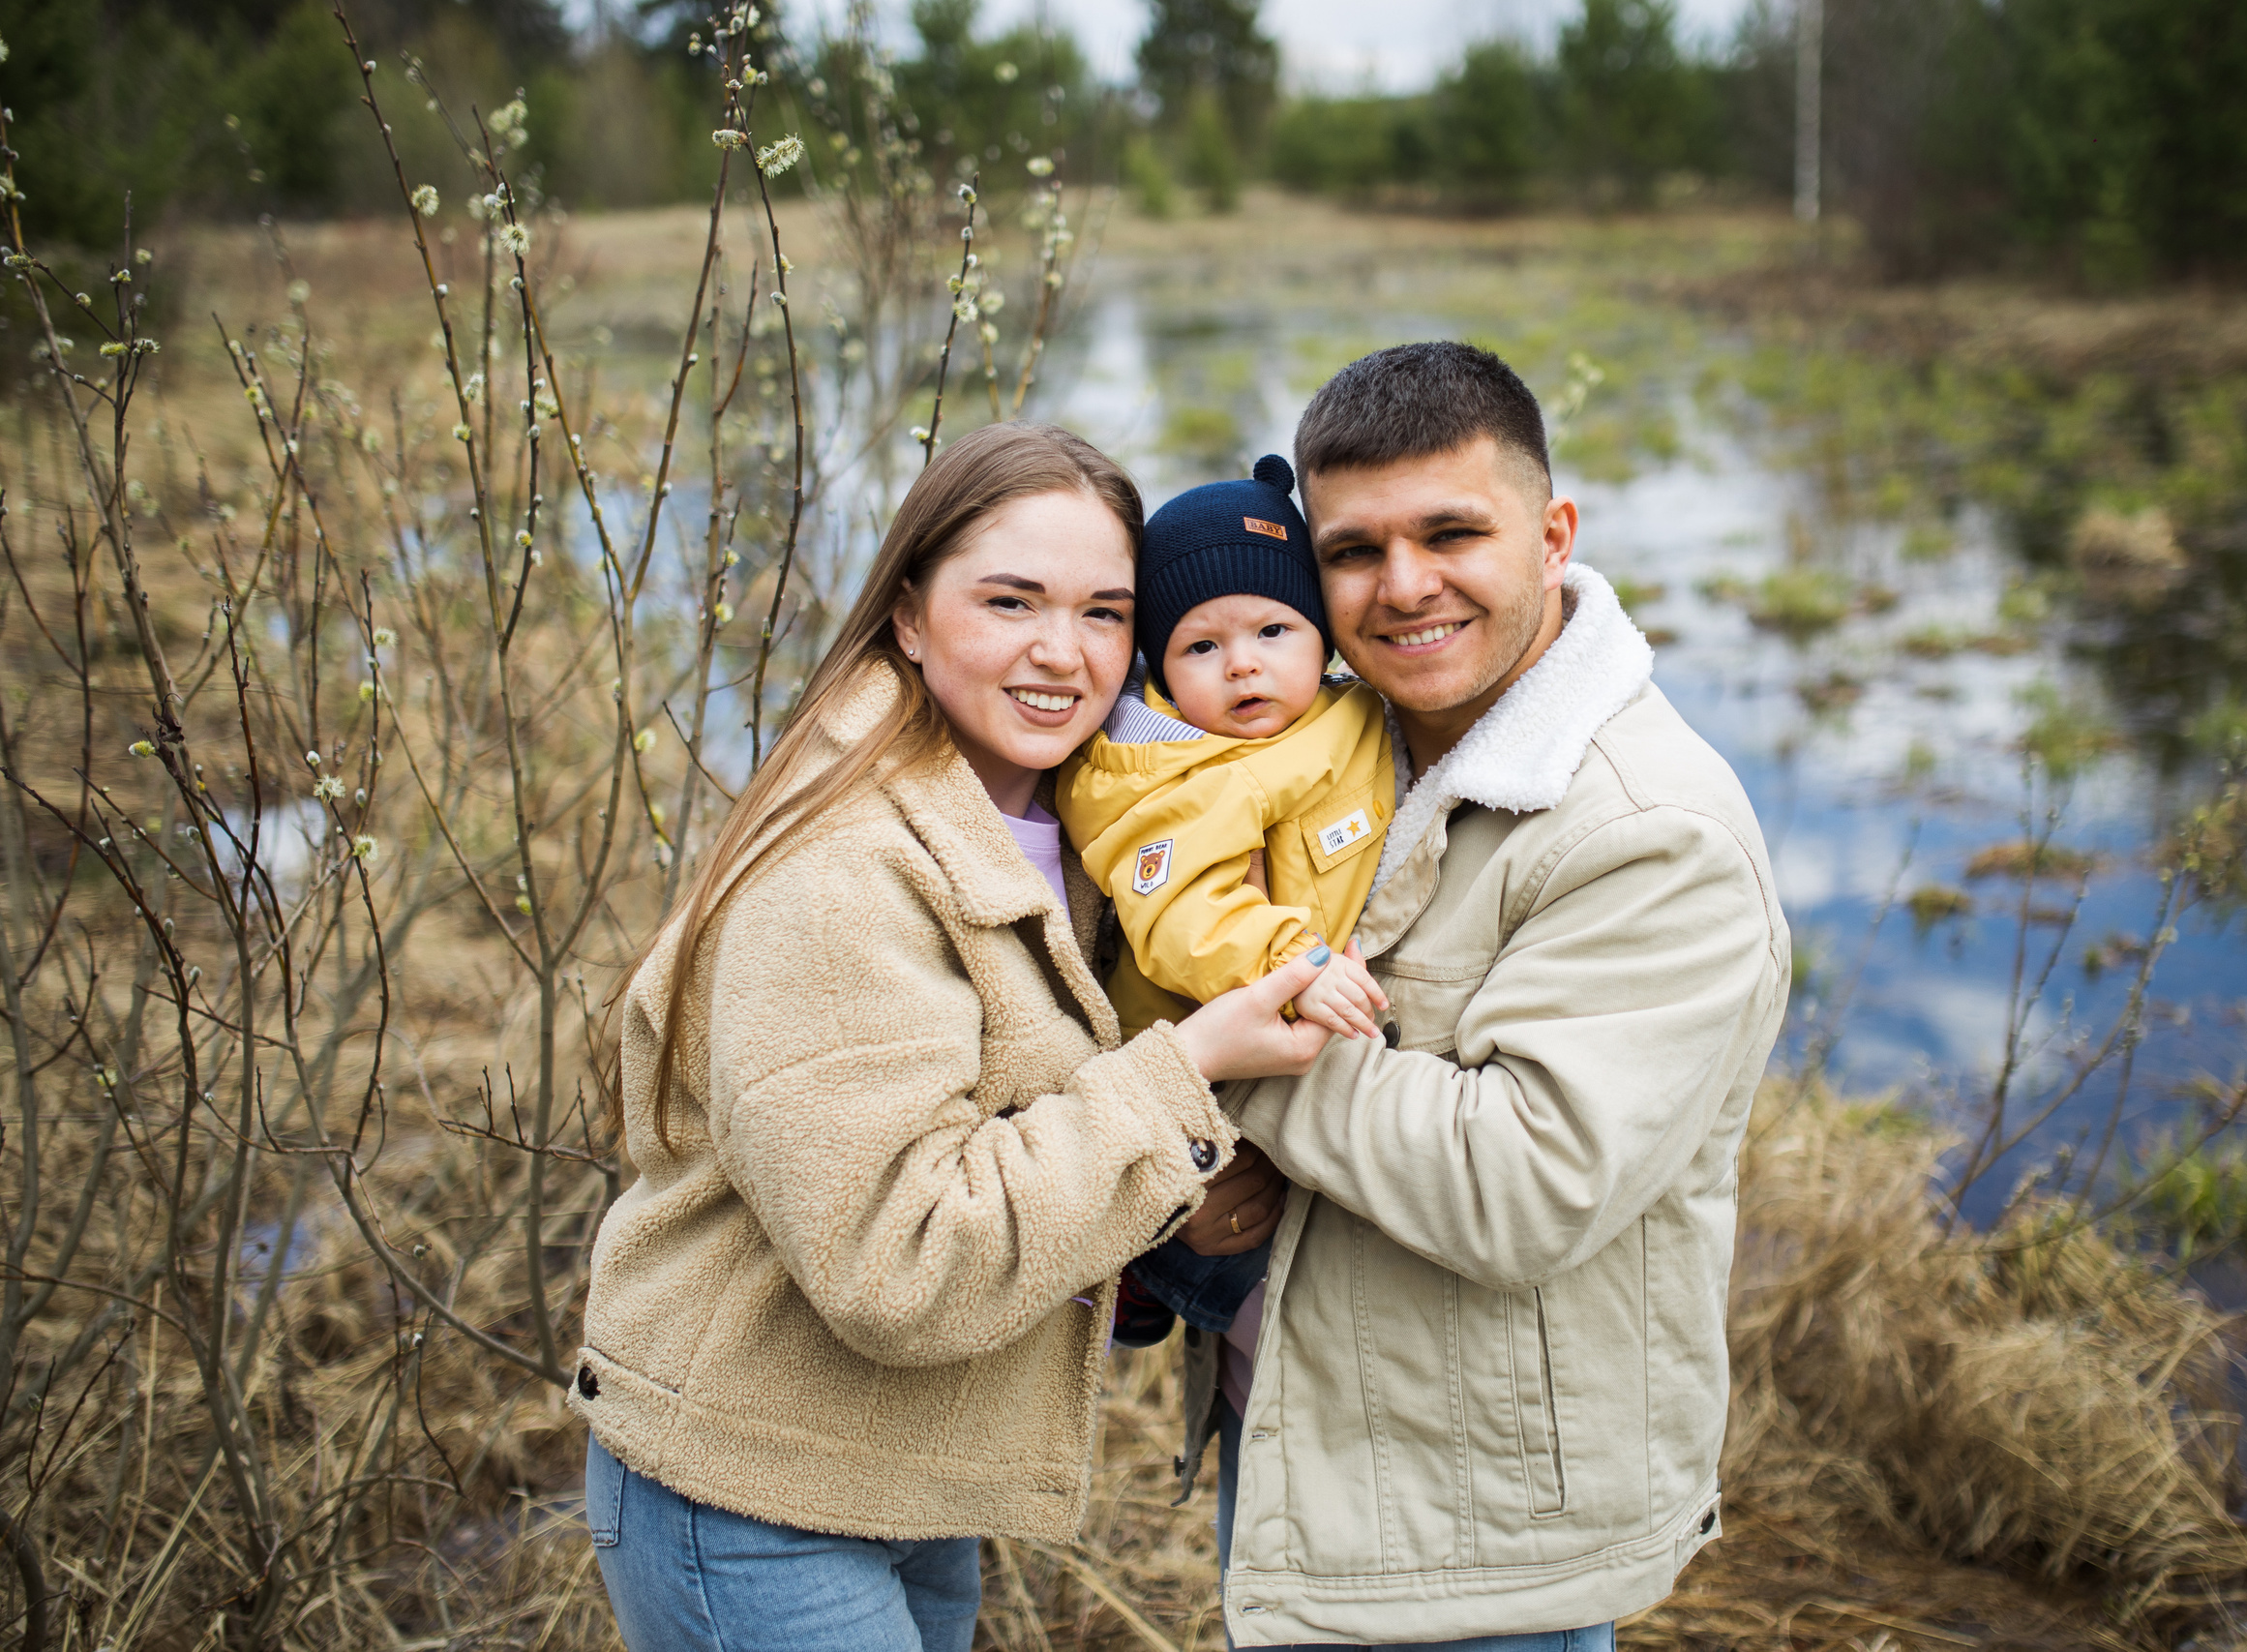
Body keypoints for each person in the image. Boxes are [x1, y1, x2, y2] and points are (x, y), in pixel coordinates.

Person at [569, 423, 1326, 1652]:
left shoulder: (1068, 820)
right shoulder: (839, 869)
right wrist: (1188, 1076)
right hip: (750, 1491)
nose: (1059, 652)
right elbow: (896, 1260)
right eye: (1010, 601)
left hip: (904, 1471)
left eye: (1101, 612)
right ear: (909, 615)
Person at [1200, 344, 1793, 1650]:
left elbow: (1523, 1182)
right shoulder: (1328, 741)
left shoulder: (1652, 830)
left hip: (1478, 1529)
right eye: (1355, 550)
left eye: (1453, 531)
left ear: (1553, 531)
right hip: (1315, 1435)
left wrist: (1204, 1044)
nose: (1405, 586)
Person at [1057, 454, 1395, 1347]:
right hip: (1204, 1074)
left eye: (1274, 631)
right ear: (1160, 672)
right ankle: (1145, 1269)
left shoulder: (1352, 714)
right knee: (1276, 1309)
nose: (1243, 666)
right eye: (1202, 647)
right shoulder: (1159, 776)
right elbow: (1185, 916)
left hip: (1307, 1065)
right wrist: (1294, 960)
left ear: (1320, 634)